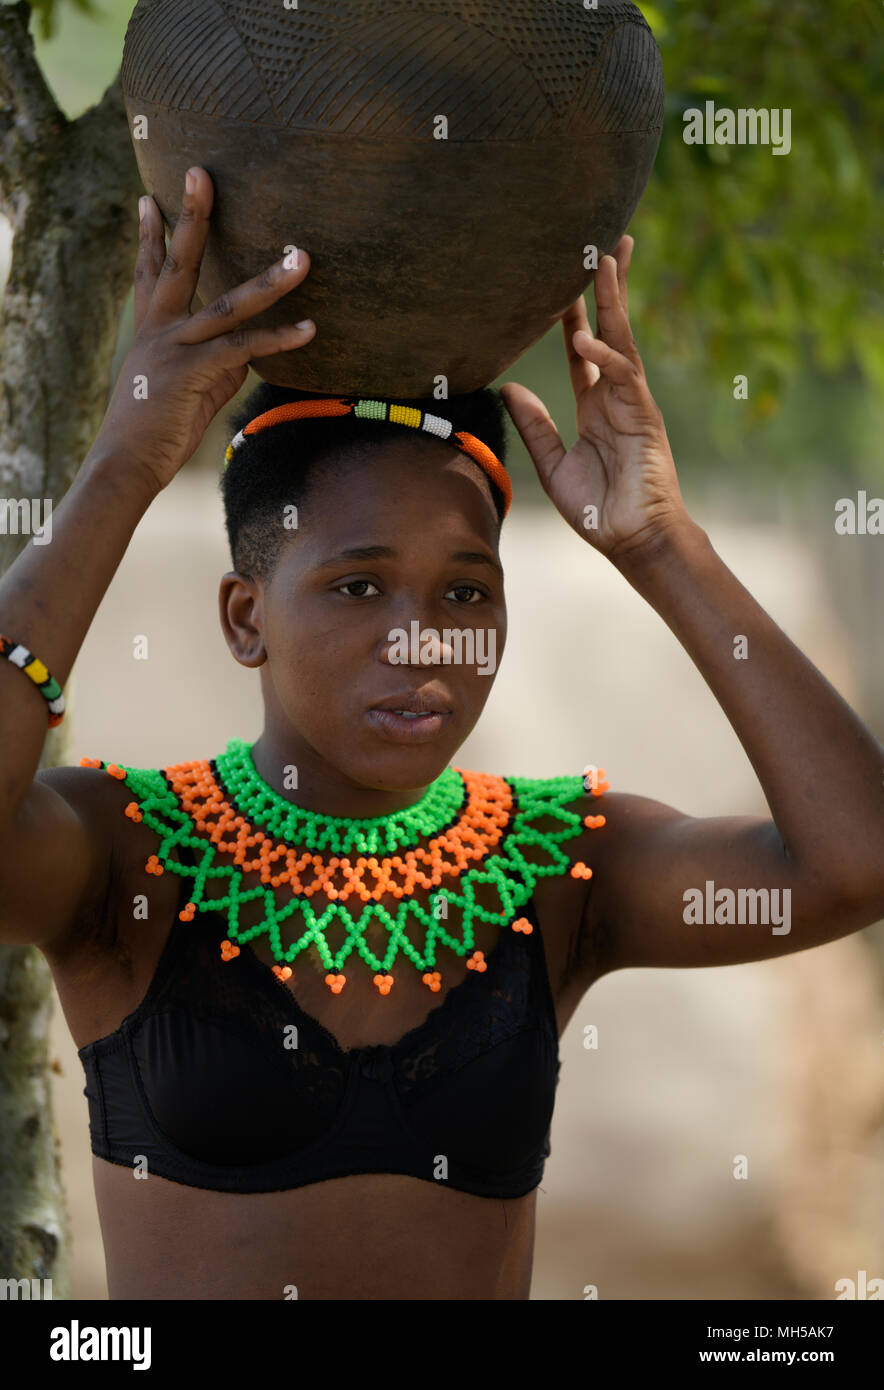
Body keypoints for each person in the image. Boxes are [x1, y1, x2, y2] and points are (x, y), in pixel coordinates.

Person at [1, 167, 881, 1302]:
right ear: (243, 616)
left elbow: (853, 858)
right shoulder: (125, 857)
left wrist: (662, 544)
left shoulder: (559, 868)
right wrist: (125, 461)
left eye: (465, 594)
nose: (422, 643)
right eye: (359, 588)